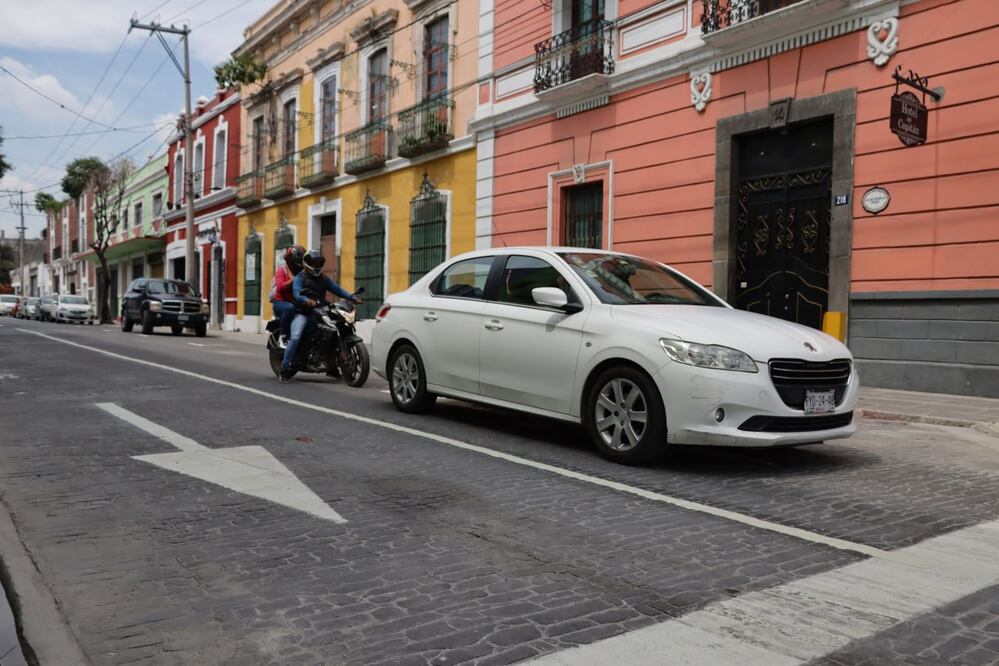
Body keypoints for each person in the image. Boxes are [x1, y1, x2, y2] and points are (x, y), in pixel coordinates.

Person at [279, 250, 360, 383]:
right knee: (295, 337)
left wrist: (352, 297)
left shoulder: (323, 278)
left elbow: (337, 289)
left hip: (320, 310)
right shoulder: (300, 277)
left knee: (333, 331)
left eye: (319, 263)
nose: (316, 265)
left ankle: (332, 367)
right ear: (306, 263)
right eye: (313, 262)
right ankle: (285, 368)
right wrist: (305, 300)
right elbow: (296, 293)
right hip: (303, 312)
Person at [270, 245, 305, 344]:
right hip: (281, 302)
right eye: (298, 260)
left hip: (296, 302)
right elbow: (280, 287)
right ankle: (283, 335)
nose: (299, 263)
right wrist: (295, 279)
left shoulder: (302, 273)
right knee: (289, 308)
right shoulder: (282, 270)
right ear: (291, 260)